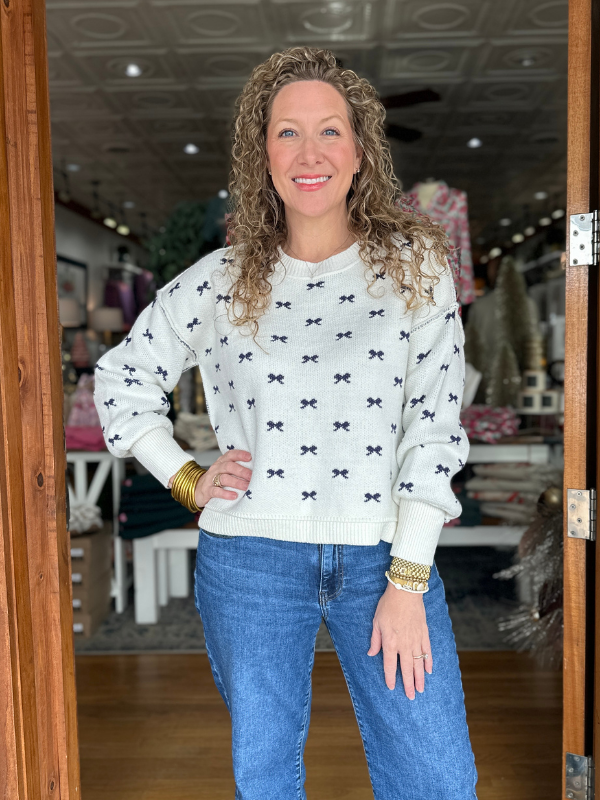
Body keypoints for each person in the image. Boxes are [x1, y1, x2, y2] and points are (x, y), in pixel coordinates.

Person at [94, 46, 478, 800]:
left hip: (384, 559)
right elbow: (121, 378)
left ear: (362, 151)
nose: (310, 153)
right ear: (260, 152)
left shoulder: (415, 267)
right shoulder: (219, 279)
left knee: (435, 776)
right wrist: (184, 477)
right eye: (287, 132)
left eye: (330, 131)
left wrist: (407, 577)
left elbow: (434, 425)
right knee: (265, 778)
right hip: (251, 562)